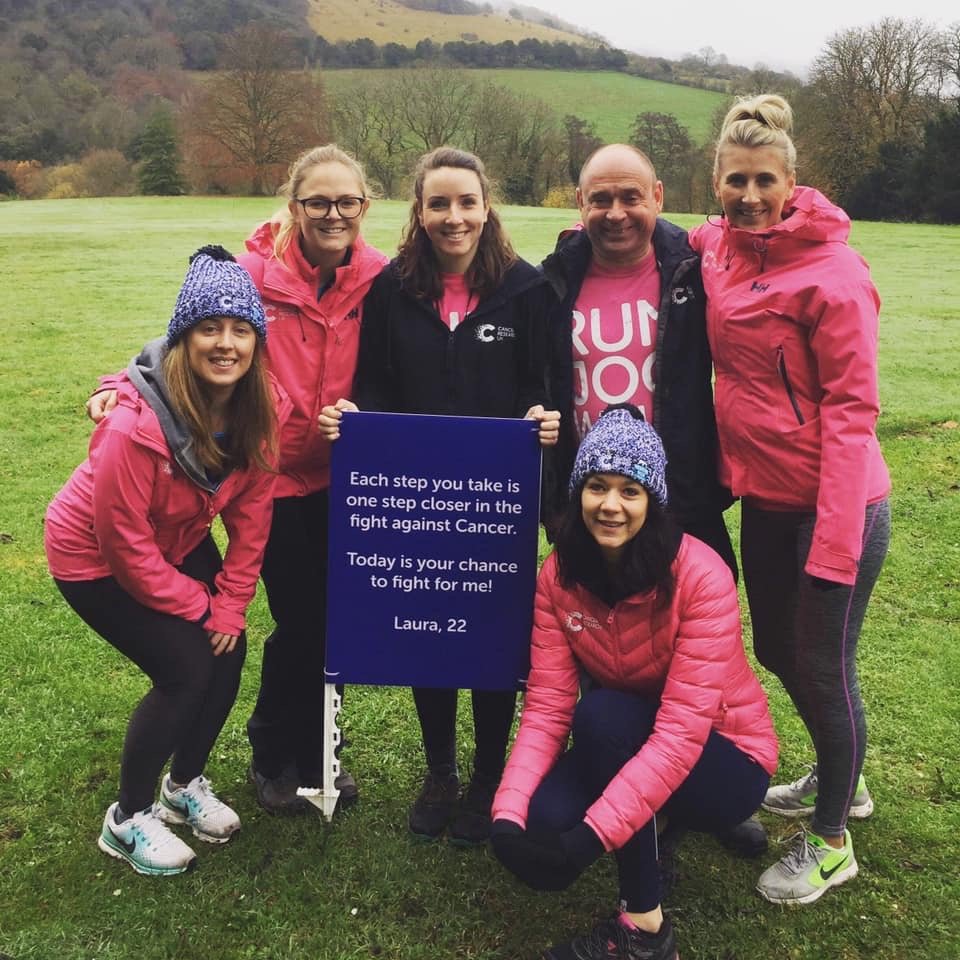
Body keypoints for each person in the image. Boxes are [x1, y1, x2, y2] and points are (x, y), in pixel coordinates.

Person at [89, 145, 389, 815]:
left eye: (347, 202)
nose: (333, 214)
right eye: (318, 202)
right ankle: (275, 754)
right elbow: (177, 346)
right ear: (294, 206)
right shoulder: (250, 273)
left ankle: (315, 753)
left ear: (364, 207)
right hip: (267, 477)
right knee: (302, 618)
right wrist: (116, 385)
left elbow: (400, 364)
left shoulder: (383, 279)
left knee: (332, 622)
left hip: (344, 478)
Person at [319, 146, 560, 846]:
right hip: (417, 502)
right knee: (427, 634)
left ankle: (490, 776)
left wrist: (541, 415)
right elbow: (377, 386)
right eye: (438, 205)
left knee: (488, 638)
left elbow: (541, 384)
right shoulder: (394, 290)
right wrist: (355, 416)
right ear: (418, 213)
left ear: (488, 207)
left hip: (495, 506)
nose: (453, 218)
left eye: (466, 203)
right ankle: (441, 774)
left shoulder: (528, 289)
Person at [689, 94, 891, 905]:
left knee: (820, 662)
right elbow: (697, 239)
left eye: (763, 180)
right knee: (778, 649)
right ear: (717, 180)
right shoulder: (727, 249)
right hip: (767, 501)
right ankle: (844, 778)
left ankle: (835, 838)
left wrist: (837, 543)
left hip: (835, 507)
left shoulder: (835, 275)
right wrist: (584, 241)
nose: (748, 195)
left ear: (793, 180)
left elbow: (851, 415)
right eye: (735, 180)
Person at [541, 143, 765, 857]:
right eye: (599, 199)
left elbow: (772, 227)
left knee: (702, 650)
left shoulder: (693, 270)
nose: (616, 213)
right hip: (590, 505)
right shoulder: (553, 282)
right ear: (580, 205)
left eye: (630, 196)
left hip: (683, 502)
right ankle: (628, 780)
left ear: (659, 196)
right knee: (604, 651)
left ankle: (714, 788)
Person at [489, 406, 778, 960]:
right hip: (627, 740)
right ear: (578, 494)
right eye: (597, 486)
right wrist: (507, 815)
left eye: (631, 490)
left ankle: (645, 928)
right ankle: (658, 822)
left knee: (602, 717)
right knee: (544, 823)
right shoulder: (560, 575)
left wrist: (590, 840)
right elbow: (547, 707)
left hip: (726, 758)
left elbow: (677, 736)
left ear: (654, 502)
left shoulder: (701, 576)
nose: (611, 506)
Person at [46, 246, 284, 876]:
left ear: (257, 341)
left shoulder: (262, 408)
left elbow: (253, 517)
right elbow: (124, 548)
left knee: (226, 651)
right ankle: (126, 818)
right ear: (184, 338)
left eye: (240, 330)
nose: (226, 343)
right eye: (209, 328)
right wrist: (201, 605)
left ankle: (184, 785)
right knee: (184, 669)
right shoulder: (131, 429)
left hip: (176, 540)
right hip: (91, 557)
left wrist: (231, 606)